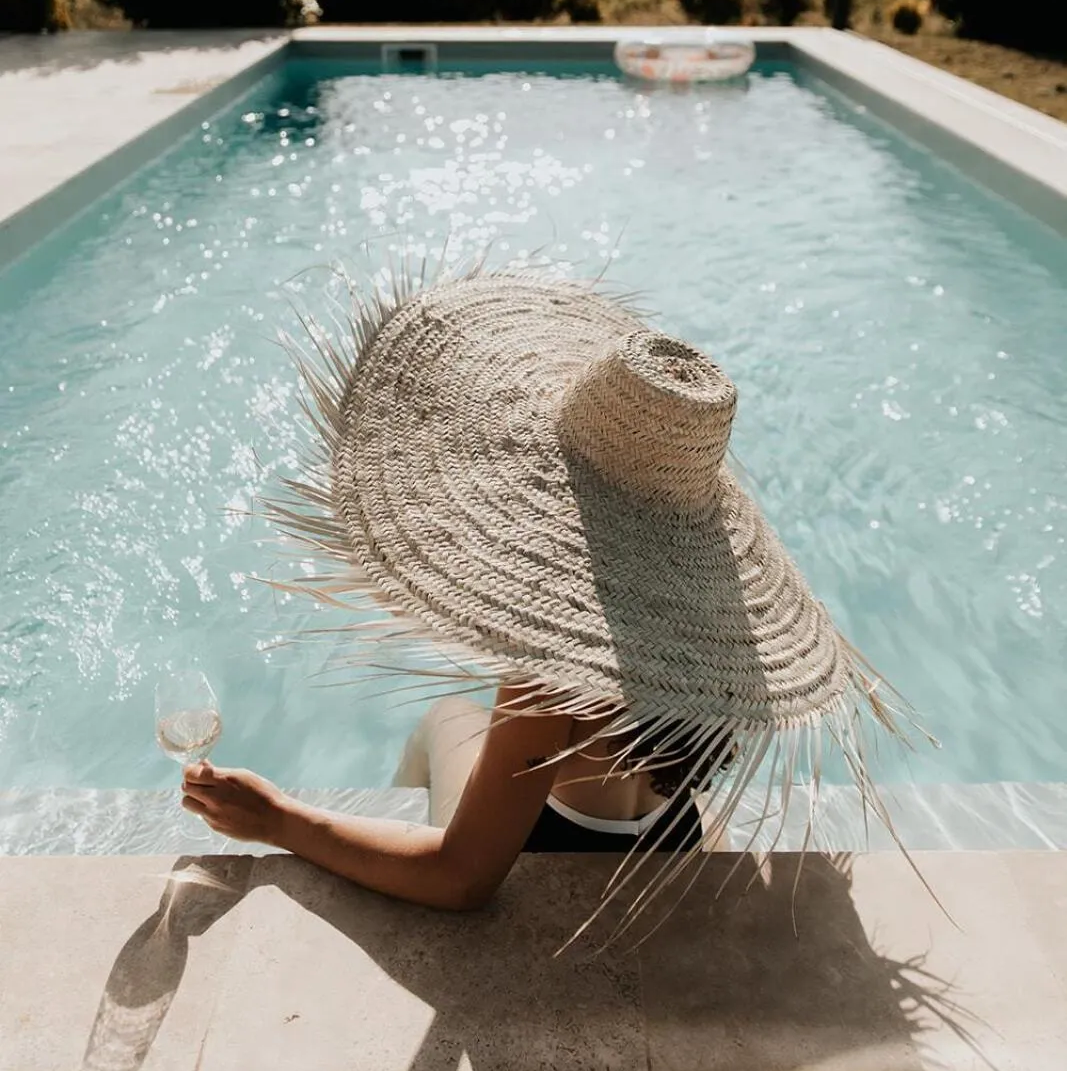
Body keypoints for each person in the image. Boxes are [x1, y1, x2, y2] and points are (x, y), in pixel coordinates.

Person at [183, 268, 910, 920]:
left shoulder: (559, 661)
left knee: (443, 717)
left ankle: (395, 806)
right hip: (671, 831)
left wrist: (278, 819)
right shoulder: (718, 630)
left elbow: (463, 880)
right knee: (466, 722)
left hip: (556, 846)